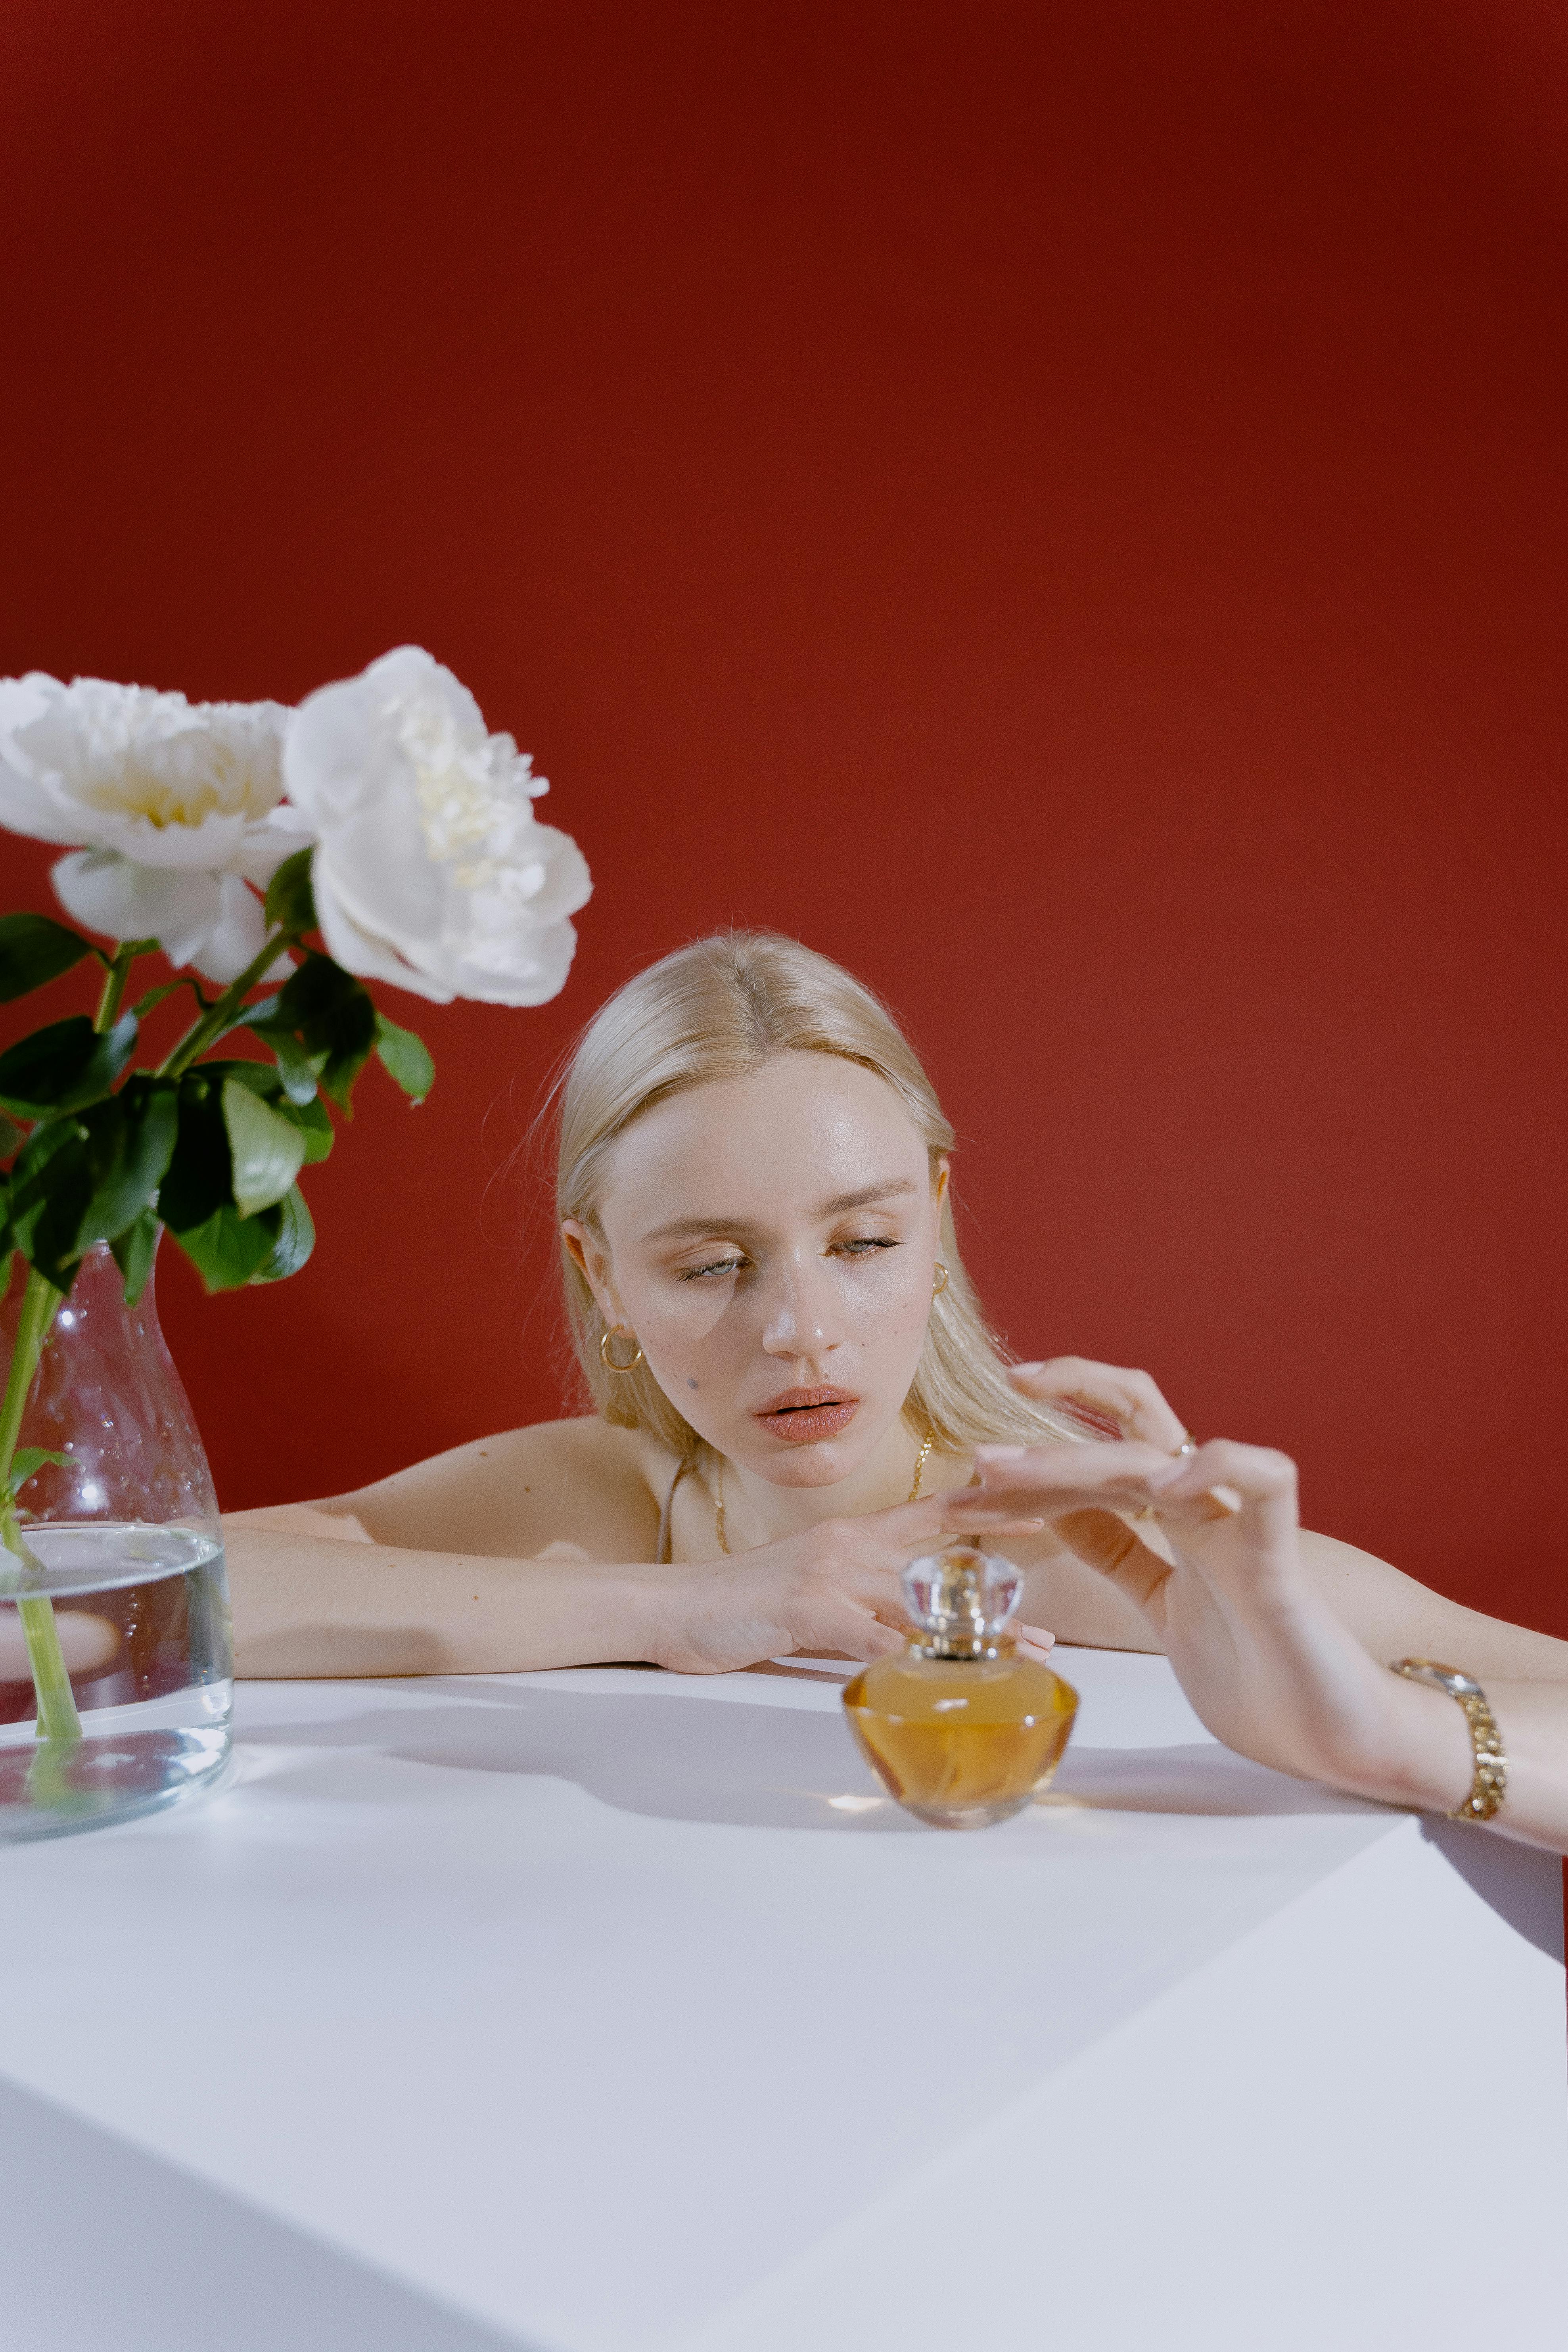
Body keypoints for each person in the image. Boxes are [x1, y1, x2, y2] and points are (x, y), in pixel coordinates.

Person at [225, 932, 1568, 1846]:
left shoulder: (1066, 1546)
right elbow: (120, 1599)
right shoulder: (605, 1499)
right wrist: (687, 1607)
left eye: (861, 1242)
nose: (799, 1331)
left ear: (933, 1222)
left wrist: (1389, 1740)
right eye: (709, 1265)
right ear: (603, 1275)